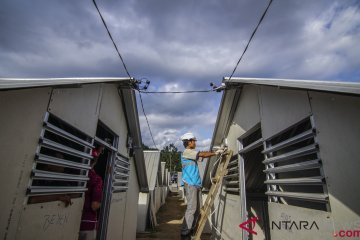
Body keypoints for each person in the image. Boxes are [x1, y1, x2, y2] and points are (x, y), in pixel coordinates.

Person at [180, 132, 224, 238]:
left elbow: (202, 156)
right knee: (192, 208)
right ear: (189, 142)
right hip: (190, 184)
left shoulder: (191, 153)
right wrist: (216, 152)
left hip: (196, 184)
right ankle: (185, 232)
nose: (195, 143)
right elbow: (202, 154)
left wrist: (213, 152)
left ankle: (192, 230)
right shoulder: (186, 152)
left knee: (198, 209)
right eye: (194, 141)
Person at [79, 147, 103, 240]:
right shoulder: (96, 179)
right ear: (95, 161)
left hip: (72, 219)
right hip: (87, 222)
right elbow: (94, 206)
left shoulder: (77, 174)